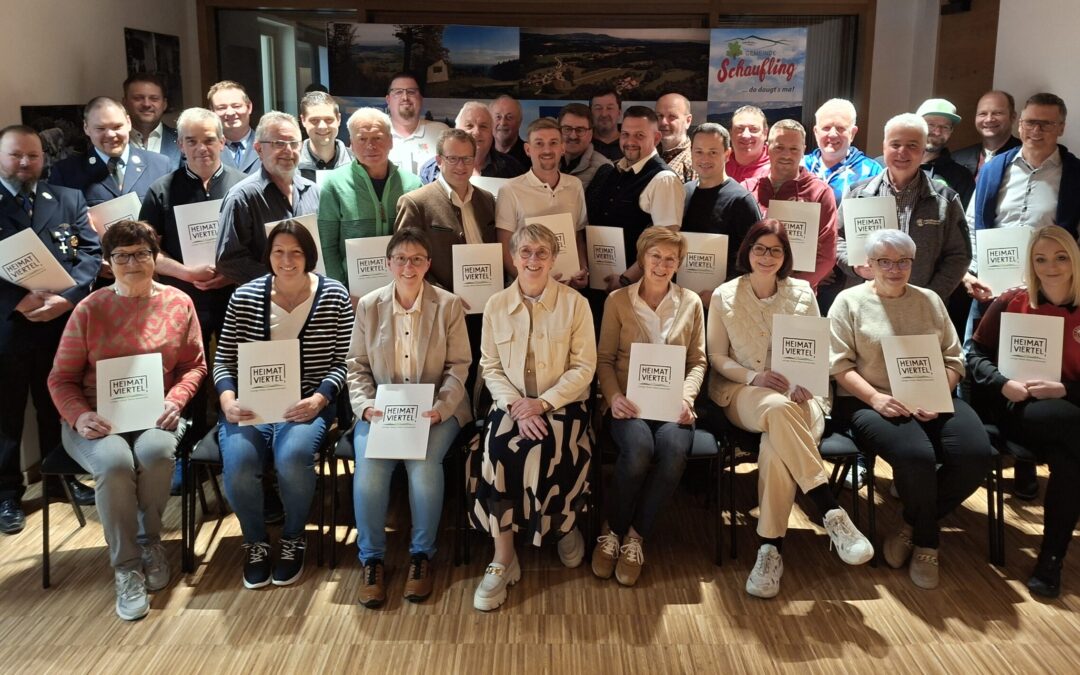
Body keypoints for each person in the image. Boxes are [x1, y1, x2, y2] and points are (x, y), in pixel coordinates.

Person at [47, 220, 206, 620]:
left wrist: (177, 398)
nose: (132, 262)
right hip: (95, 420)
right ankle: (126, 567)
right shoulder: (90, 308)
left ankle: (149, 541)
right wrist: (80, 416)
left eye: (141, 253)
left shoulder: (179, 303)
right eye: (121, 255)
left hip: (157, 415)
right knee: (115, 462)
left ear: (156, 258)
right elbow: (60, 378)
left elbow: (194, 366)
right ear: (108, 262)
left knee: (154, 452)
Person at [707, 220, 873, 598]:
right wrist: (754, 376)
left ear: (786, 256)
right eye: (760, 248)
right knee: (777, 410)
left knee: (774, 448)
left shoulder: (802, 292)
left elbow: (816, 352)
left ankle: (769, 551)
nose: (767, 257)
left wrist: (803, 382)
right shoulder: (724, 295)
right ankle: (829, 509)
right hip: (743, 392)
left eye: (776, 250)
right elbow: (716, 355)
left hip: (803, 395)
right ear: (746, 251)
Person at [830, 229, 992, 590]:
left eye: (902, 261)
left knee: (975, 454)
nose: (894, 268)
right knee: (916, 456)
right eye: (884, 261)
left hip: (932, 395)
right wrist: (876, 399)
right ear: (868, 265)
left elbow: (955, 359)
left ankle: (911, 525)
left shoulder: (929, 300)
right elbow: (839, 367)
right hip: (870, 400)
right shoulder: (848, 302)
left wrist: (937, 392)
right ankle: (928, 544)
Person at [215, 220, 354, 589]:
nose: (287, 259)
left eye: (296, 252)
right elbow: (224, 360)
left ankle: (294, 537)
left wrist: (321, 397)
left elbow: (345, 360)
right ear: (268, 255)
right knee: (240, 464)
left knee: (292, 457)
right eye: (279, 251)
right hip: (250, 405)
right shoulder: (245, 296)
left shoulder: (334, 295)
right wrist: (228, 398)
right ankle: (256, 542)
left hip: (307, 403)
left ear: (309, 255)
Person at [471, 223, 596, 611]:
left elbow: (584, 367)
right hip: (510, 403)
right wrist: (516, 406)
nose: (533, 260)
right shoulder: (495, 305)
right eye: (525, 252)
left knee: (553, 446)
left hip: (562, 403)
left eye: (542, 252)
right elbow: (490, 367)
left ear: (554, 258)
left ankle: (564, 526)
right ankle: (503, 556)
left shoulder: (576, 304)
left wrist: (542, 403)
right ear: (512, 258)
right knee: (497, 450)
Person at [347, 228, 472, 608]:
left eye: (417, 258)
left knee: (423, 463)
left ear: (428, 265)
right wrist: (365, 406)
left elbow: (459, 366)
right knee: (370, 466)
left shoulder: (448, 305)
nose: (408, 266)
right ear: (388, 264)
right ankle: (372, 560)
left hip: (435, 409)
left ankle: (421, 556)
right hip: (381, 410)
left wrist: (442, 408)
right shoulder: (369, 305)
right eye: (400, 258)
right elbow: (356, 366)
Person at [964, 92, 1080, 497]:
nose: (1035, 130)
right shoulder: (996, 168)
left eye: (1046, 123)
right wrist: (972, 272)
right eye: (1030, 122)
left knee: (1037, 369)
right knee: (979, 365)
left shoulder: (1075, 174)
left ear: (1061, 127)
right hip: (994, 291)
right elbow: (974, 225)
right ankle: (976, 456)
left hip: (1048, 294)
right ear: (1019, 125)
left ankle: (1027, 463)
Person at [967, 225, 1080, 599]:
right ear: (1030, 263)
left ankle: (1050, 559)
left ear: (1074, 260)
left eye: (1060, 257)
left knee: (1071, 460)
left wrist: (1066, 388)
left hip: (1070, 414)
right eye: (1041, 258)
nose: (1051, 266)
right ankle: (1050, 558)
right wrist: (1002, 383)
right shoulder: (1014, 299)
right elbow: (975, 357)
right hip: (1020, 408)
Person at [139, 107, 247, 492]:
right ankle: (185, 456)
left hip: (236, 297)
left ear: (223, 140)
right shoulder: (160, 190)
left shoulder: (243, 185)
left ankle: (235, 453)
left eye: (209, 139)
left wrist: (230, 273)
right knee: (189, 377)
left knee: (239, 373)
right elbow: (147, 253)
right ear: (180, 145)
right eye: (192, 141)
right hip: (183, 301)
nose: (202, 148)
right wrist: (186, 273)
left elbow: (259, 248)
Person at [0, 125, 101, 533]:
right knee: (5, 413)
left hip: (57, 323)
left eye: (33, 155)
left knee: (55, 405)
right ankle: (7, 495)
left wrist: (69, 299)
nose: (25, 163)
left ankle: (62, 481)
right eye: (15, 155)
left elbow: (91, 254)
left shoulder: (66, 199)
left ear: (44, 158)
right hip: (8, 326)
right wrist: (14, 302)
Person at [591, 227, 705, 586]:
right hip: (629, 404)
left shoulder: (691, 303)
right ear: (642, 259)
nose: (662, 264)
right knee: (639, 449)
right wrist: (613, 398)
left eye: (671, 258)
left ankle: (636, 536)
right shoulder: (618, 301)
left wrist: (686, 398)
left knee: (673, 450)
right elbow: (604, 359)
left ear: (679, 264)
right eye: (655, 256)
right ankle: (613, 530)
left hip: (673, 406)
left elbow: (698, 361)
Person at [837, 113, 970, 303]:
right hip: (864, 303)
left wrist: (931, 296)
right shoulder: (857, 193)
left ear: (924, 150)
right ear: (884, 147)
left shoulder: (945, 200)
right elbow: (836, 238)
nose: (902, 152)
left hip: (921, 307)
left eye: (912, 146)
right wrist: (854, 265)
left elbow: (959, 255)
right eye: (895, 144)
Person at [318, 107, 422, 286]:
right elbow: (327, 247)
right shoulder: (334, 185)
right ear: (350, 143)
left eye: (377, 138)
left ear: (390, 141)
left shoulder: (413, 185)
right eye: (362, 139)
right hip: (352, 292)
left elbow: (420, 243)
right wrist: (340, 290)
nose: (370, 146)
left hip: (403, 288)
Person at [215, 111, 320, 286]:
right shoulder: (242, 197)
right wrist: (282, 279)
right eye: (278, 143)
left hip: (311, 296)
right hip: (263, 303)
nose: (288, 150)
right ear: (258, 149)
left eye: (294, 143)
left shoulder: (313, 191)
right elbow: (228, 260)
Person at [586, 106, 684, 291]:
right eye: (625, 134)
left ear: (656, 138)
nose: (630, 141)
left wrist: (625, 279)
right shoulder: (613, 171)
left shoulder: (664, 180)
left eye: (639, 135)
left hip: (636, 289)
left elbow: (664, 243)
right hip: (602, 282)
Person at [743, 119, 837, 292]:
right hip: (751, 292)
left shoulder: (820, 193)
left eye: (794, 149)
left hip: (797, 295)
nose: (786, 155)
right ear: (767, 148)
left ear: (803, 151)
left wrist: (787, 288)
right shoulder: (747, 189)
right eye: (779, 147)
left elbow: (826, 257)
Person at [495, 117, 588, 286]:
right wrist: (531, 284)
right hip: (527, 291)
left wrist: (582, 268)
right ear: (528, 149)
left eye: (553, 143)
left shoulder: (575, 185)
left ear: (562, 148)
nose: (547, 149)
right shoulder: (510, 190)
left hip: (569, 287)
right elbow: (505, 247)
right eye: (539, 143)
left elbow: (578, 235)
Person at [681, 123, 762, 301]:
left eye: (713, 152)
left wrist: (721, 294)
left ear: (727, 155)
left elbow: (752, 257)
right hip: (681, 299)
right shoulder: (683, 193)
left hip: (721, 303)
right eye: (699, 151)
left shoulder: (741, 200)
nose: (705, 158)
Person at [49, 96, 172, 209]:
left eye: (117, 127)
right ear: (86, 128)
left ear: (128, 123)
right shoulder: (66, 172)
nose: (110, 135)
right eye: (100, 128)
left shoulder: (160, 166)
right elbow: (61, 222)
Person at [417, 101, 525, 184]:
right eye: (469, 126)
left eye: (483, 126)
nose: (476, 132)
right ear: (456, 129)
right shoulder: (431, 170)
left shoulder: (513, 169)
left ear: (492, 132)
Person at [802, 98, 882, 203]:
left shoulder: (872, 171)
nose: (833, 134)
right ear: (816, 132)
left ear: (852, 133)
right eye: (826, 127)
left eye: (840, 128)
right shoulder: (799, 165)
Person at [385, 73, 449, 175]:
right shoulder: (374, 135)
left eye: (411, 92)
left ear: (420, 98)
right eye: (398, 92)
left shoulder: (441, 133)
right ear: (388, 100)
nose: (405, 97)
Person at [953, 90, 1021, 180]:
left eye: (997, 113)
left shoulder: (1025, 156)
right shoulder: (956, 159)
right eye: (982, 114)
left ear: (1013, 117)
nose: (989, 119)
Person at [121, 72, 182, 169]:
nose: (146, 104)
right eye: (138, 98)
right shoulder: (114, 142)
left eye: (154, 98)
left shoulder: (182, 141)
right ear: (125, 103)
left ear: (164, 104)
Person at [297, 91, 352, 180]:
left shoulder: (358, 163)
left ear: (338, 119)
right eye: (314, 120)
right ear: (303, 120)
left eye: (328, 119)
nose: (322, 126)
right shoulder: (290, 164)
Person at [208, 80, 260, 174]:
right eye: (222, 108)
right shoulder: (205, 151)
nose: (230, 113)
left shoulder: (268, 146)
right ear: (212, 112)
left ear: (249, 107)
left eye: (236, 106)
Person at [558, 103, 611, 190]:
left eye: (580, 130)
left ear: (590, 134)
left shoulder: (604, 170)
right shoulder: (549, 161)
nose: (573, 136)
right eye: (567, 129)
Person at [655, 93, 696, 182]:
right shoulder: (646, 154)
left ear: (688, 121)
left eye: (672, 116)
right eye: (660, 116)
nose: (663, 122)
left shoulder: (695, 163)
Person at [727, 105, 771, 184]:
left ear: (765, 133)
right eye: (739, 129)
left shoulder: (778, 169)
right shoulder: (718, 164)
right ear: (730, 133)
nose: (746, 135)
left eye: (753, 129)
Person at [490, 95, 529, 167]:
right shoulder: (481, 155)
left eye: (509, 117)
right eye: (498, 117)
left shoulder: (531, 157)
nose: (503, 123)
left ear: (519, 121)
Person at [590, 90, 623, 162]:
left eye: (610, 108)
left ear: (619, 113)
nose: (604, 114)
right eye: (598, 108)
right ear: (591, 113)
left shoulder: (630, 143)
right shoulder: (583, 144)